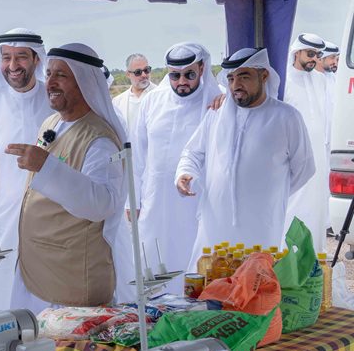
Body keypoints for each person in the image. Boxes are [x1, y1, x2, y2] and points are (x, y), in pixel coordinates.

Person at [8, 44, 133, 315]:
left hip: (72, 278)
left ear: (85, 82)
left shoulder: (99, 140)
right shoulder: (51, 123)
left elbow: (102, 204)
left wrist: (47, 166)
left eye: (61, 76)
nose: (50, 82)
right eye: (49, 73)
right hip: (37, 269)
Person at [177, 48, 315, 264]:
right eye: (231, 78)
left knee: (255, 285)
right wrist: (185, 173)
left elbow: (305, 168)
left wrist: (271, 194)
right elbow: (192, 152)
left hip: (261, 222)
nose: (235, 85)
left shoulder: (286, 116)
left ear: (264, 76)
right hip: (216, 221)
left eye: (244, 76)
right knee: (210, 283)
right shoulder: (216, 114)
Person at [0, 28, 54, 310]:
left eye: (21, 57)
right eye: (6, 57)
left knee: (45, 298)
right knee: (0, 295)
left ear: (36, 59)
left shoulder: (53, 100)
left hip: (48, 217)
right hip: (0, 219)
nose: (12, 66)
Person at [132, 43, 222, 285]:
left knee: (193, 258)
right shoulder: (152, 101)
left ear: (202, 69)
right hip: (156, 199)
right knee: (152, 257)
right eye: (175, 75)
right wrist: (134, 201)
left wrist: (228, 103)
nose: (181, 81)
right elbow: (138, 156)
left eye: (189, 75)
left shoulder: (218, 101)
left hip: (197, 199)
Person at [284, 33, 331, 251]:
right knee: (295, 206)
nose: (314, 59)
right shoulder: (284, 80)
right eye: (310, 54)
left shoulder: (321, 80)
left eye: (318, 55)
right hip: (293, 159)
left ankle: (315, 257)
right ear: (297, 52)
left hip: (319, 159)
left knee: (318, 207)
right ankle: (291, 260)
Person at [112, 53, 157, 133]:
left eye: (146, 70)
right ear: (128, 74)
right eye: (138, 72)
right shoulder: (117, 102)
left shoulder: (161, 95)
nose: (144, 75)